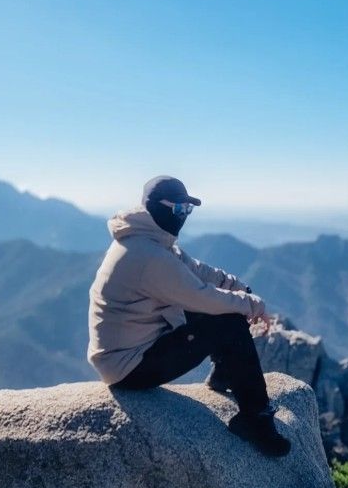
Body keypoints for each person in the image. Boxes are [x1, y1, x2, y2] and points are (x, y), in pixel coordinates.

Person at [87, 175, 290, 456]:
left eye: (188, 209)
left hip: (131, 350)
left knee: (221, 313)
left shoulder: (151, 240)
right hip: (128, 367)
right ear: (156, 206)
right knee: (227, 321)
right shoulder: (147, 256)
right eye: (179, 209)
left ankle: (225, 375)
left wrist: (243, 290)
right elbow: (203, 296)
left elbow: (198, 270)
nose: (184, 216)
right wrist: (252, 305)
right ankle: (255, 420)